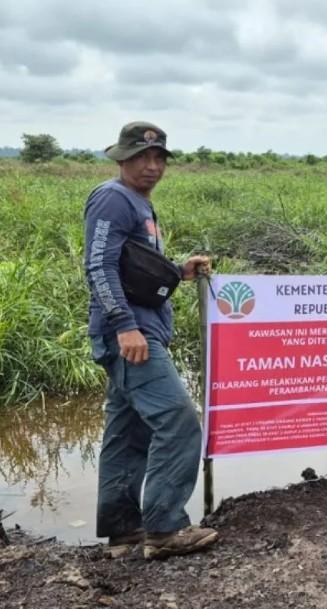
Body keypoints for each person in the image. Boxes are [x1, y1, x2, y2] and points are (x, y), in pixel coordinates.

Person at [84, 121, 217, 559]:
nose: (152, 166)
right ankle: (164, 528)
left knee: (128, 432)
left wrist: (178, 271)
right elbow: (99, 267)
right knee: (179, 421)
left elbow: (134, 269)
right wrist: (125, 325)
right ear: (122, 159)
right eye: (141, 157)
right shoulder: (113, 198)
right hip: (130, 336)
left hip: (139, 331)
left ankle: (124, 531)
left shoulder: (138, 203)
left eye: (159, 158)